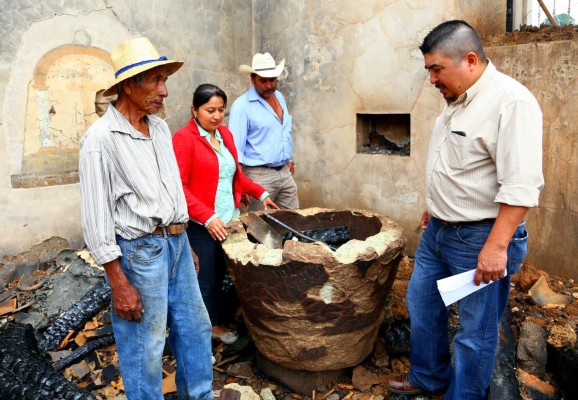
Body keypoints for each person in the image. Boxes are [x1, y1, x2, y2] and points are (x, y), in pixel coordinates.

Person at [387, 20, 544, 399]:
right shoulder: (455, 100)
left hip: (479, 238)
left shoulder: (512, 103)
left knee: (476, 330)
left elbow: (521, 187)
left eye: (436, 69)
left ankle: (464, 395)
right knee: (421, 305)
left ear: (469, 60)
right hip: (439, 230)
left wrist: (495, 247)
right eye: (429, 71)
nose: (431, 81)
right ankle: (429, 378)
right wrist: (434, 205)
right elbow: (460, 164)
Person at [79, 37, 239, 400]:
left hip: (177, 244)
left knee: (195, 328)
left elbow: (172, 190)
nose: (164, 91)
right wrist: (118, 282)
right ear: (128, 85)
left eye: (164, 80)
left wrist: (182, 241)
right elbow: (95, 219)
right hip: (139, 251)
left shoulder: (160, 128)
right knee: (145, 346)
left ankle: (199, 395)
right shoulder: (100, 140)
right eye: (155, 80)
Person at [172, 83, 278, 344]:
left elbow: (235, 176)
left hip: (228, 220)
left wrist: (260, 193)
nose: (217, 116)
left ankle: (214, 320)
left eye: (221, 110)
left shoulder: (225, 136)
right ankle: (204, 331)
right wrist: (207, 216)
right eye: (210, 110)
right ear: (194, 110)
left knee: (222, 274)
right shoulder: (184, 140)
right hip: (201, 223)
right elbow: (178, 187)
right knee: (205, 278)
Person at [228, 52, 299, 210]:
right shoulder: (242, 106)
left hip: (284, 173)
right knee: (260, 229)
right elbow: (235, 149)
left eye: (272, 80)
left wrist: (289, 159)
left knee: (295, 222)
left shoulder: (279, 97)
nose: (268, 85)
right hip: (258, 176)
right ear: (253, 79)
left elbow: (283, 130)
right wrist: (239, 183)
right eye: (263, 80)